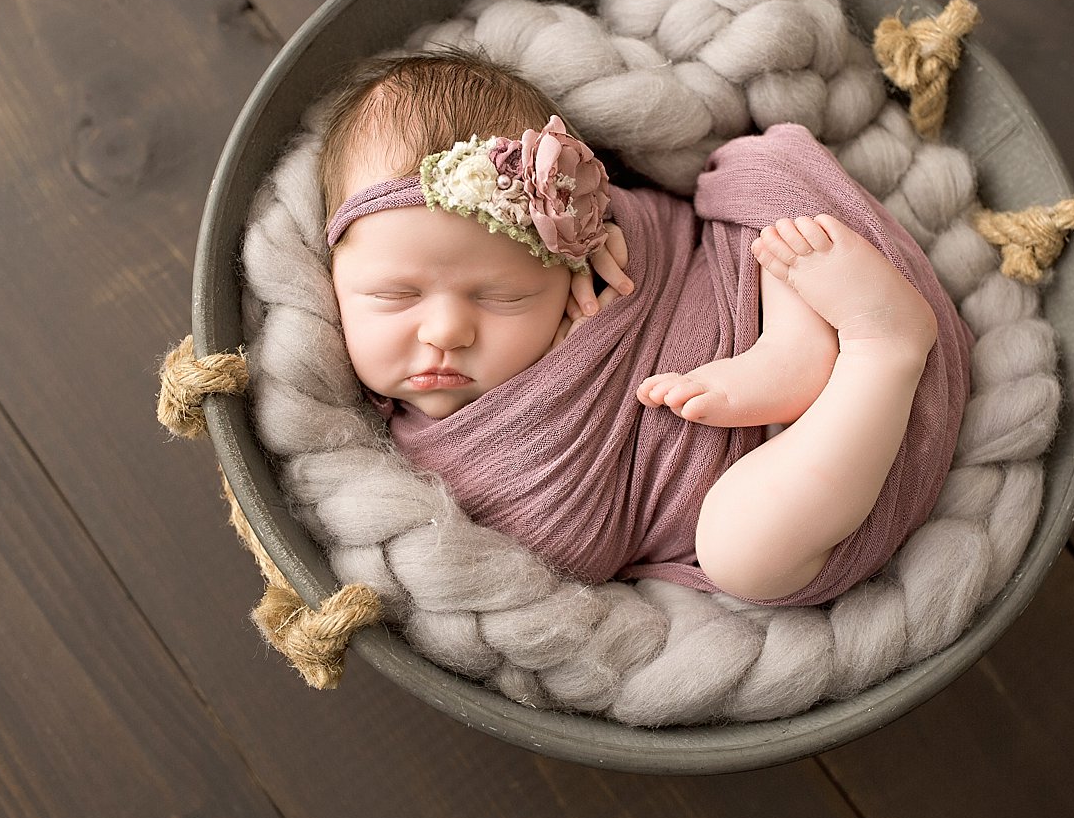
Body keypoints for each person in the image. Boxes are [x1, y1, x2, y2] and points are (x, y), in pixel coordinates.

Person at [320, 48, 970, 606]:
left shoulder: (600, 257)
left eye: (503, 295)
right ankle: (880, 354)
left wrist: (613, 228)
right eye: (393, 295)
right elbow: (580, 545)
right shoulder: (404, 465)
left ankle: (797, 344)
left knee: (753, 168)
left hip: (762, 296)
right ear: (334, 279)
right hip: (843, 468)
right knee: (741, 548)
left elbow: (674, 223)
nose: (447, 329)